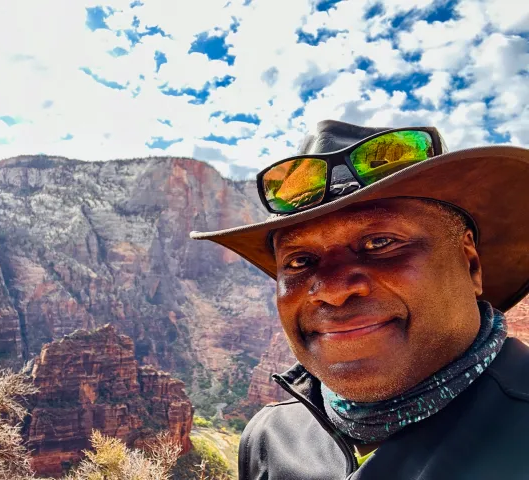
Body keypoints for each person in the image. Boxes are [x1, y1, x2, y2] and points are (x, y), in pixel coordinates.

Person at [190, 120, 529, 479]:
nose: (334, 291)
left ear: (470, 264)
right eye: (300, 261)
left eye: (380, 243)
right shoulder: (269, 439)